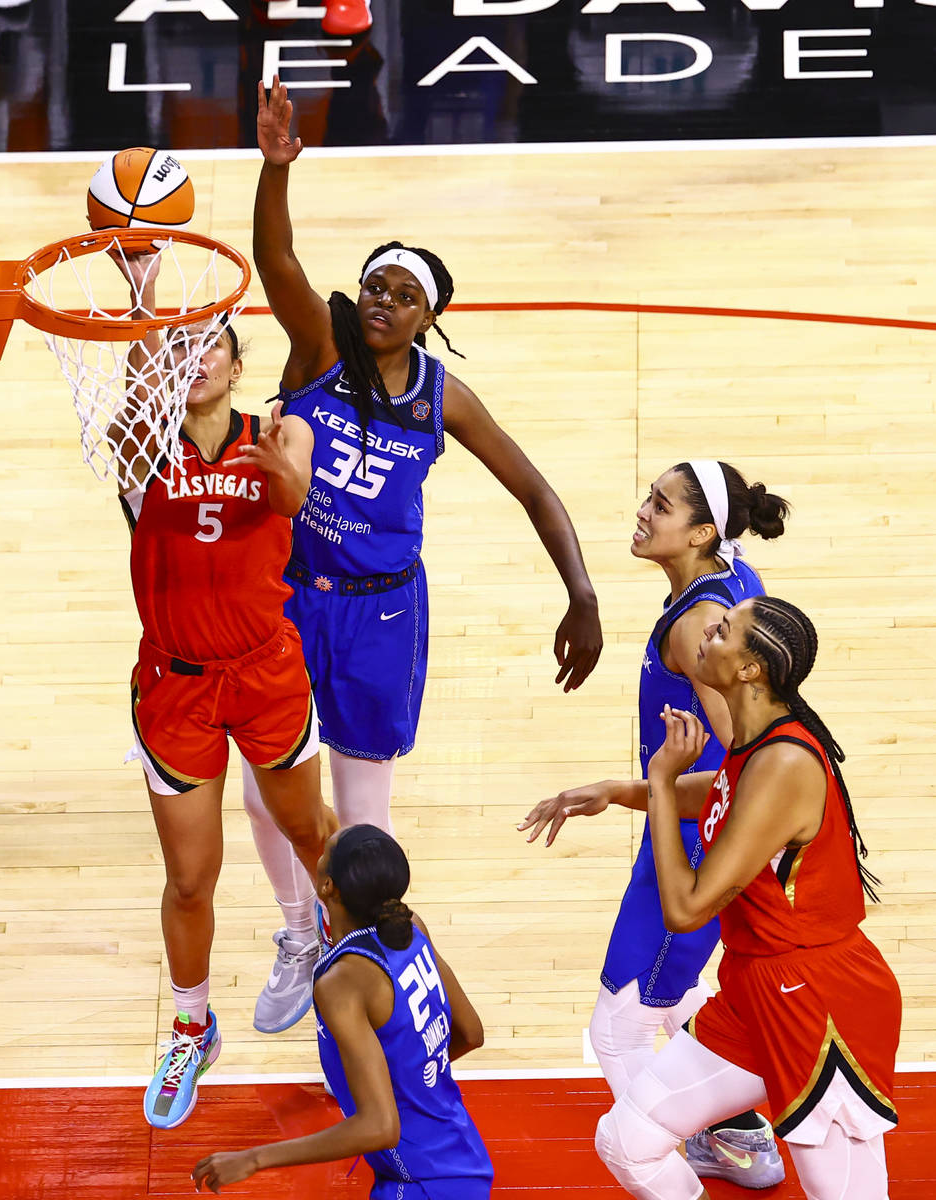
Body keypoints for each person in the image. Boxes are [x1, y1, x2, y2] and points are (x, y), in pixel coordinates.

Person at [244, 74, 604, 1038]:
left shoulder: (443, 399)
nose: (383, 301)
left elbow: (533, 487)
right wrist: (275, 170)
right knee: (263, 783)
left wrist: (581, 594)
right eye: (375, 284)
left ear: (428, 317)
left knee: (362, 812)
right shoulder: (318, 348)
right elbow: (273, 256)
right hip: (290, 596)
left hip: (383, 612)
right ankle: (295, 935)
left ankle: (356, 952)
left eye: (404, 295)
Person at [111, 253, 337, 1129]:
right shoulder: (142, 452)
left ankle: (345, 975)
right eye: (181, 346)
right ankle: (190, 1025)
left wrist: (279, 449)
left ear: (239, 366)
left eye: (211, 344)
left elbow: (289, 497)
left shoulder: (281, 435)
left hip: (266, 673)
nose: (195, 354)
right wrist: (140, 296)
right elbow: (135, 411)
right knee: (190, 879)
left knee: (315, 839)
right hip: (175, 686)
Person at [519, 460, 790, 1188]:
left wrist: (633, 789)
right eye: (649, 496)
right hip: (696, 830)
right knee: (680, 996)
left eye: (661, 505)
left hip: (695, 843)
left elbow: (745, 768)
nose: (643, 511)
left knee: (621, 1023)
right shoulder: (736, 583)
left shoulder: (697, 631)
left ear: (703, 531)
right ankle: (737, 1134)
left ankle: (668, 1162)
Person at [592, 597, 900, 1200]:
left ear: (750, 670)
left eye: (725, 629)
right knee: (627, 1139)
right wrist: (615, 791)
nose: (709, 626)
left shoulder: (785, 761)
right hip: (753, 993)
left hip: (819, 1005)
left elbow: (685, 911)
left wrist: (657, 782)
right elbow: (720, 790)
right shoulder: (757, 742)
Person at [192, 824, 493, 1197]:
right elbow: (471, 1033)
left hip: (420, 1182)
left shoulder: (342, 982)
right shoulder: (411, 928)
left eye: (325, 853)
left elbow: (380, 1127)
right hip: (461, 1158)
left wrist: (253, 1158)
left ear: (327, 886)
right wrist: (409, 1080)